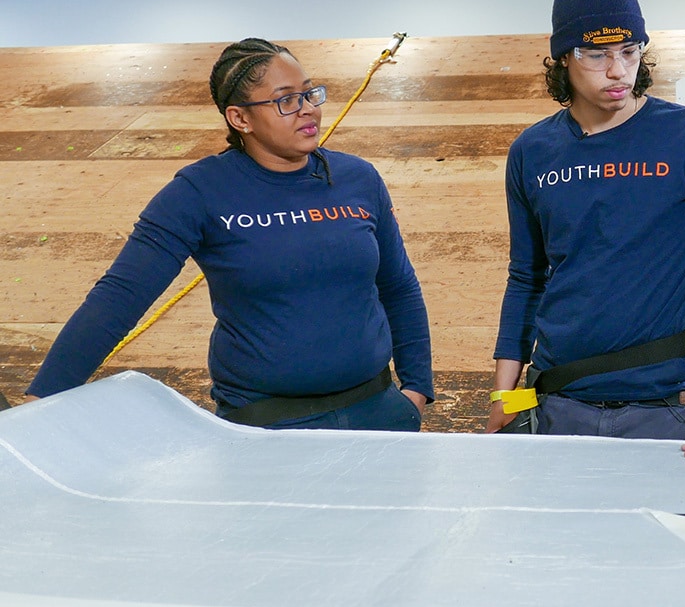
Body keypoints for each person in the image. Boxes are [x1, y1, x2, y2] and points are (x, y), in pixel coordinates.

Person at [25, 38, 434, 430]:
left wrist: (415, 389)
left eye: (310, 94)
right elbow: (118, 298)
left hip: (377, 411)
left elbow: (398, 286)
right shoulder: (199, 192)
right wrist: (39, 404)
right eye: (285, 100)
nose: (307, 109)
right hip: (265, 425)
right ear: (240, 118)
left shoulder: (357, 177)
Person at [486, 0, 685, 440]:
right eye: (596, 54)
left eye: (630, 51)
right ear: (563, 57)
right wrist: (505, 394)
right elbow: (526, 277)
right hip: (557, 397)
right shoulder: (531, 151)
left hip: (662, 402)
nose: (617, 70)